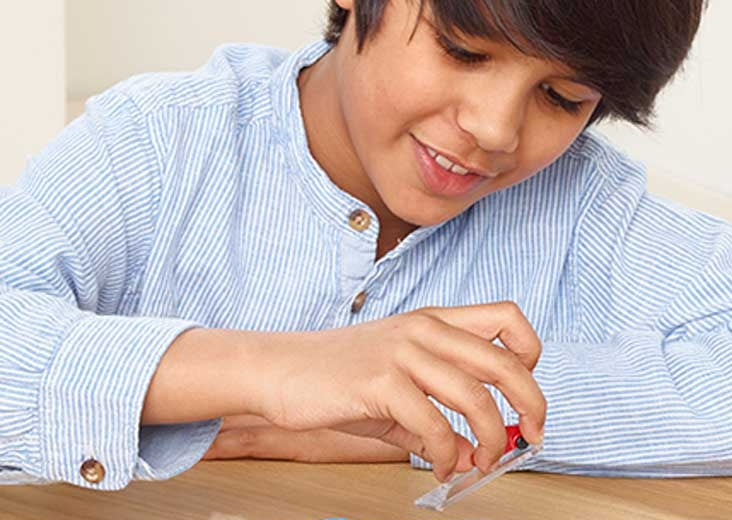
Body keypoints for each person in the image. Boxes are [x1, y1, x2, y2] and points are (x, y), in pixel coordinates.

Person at [0, 0, 728, 492]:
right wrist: (266, 371)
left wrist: (428, 410)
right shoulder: (158, 143)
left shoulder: (584, 204)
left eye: (562, 98)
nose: (496, 128)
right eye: (463, 50)